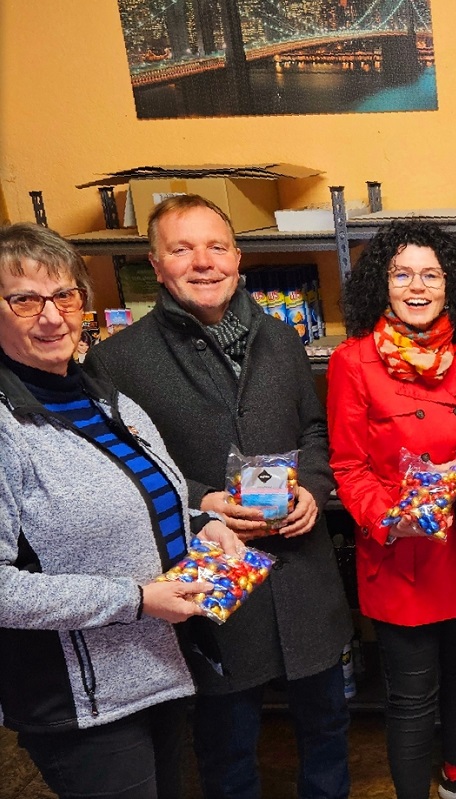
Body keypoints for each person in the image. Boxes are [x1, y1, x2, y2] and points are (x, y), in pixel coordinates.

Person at [85, 196, 353, 799]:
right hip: (211, 577)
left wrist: (312, 487)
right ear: (156, 265)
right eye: (182, 249)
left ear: (238, 258)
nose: (202, 263)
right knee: (227, 744)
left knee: (327, 728)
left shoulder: (282, 340)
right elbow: (116, 473)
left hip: (301, 569)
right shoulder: (117, 361)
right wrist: (203, 501)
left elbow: (314, 431)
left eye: (216, 247)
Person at [0, 222, 242, 799]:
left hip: (156, 670)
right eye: (25, 300)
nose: (53, 316)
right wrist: (136, 599)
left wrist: (205, 528)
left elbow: (155, 501)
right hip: (82, 702)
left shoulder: (106, 398)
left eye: (65, 295)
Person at [327, 221, 456, 799]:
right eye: (401, 274)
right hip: (401, 556)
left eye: (430, 274)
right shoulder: (352, 362)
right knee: (411, 696)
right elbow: (348, 467)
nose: (416, 286)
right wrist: (393, 516)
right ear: (381, 286)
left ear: (449, 282)